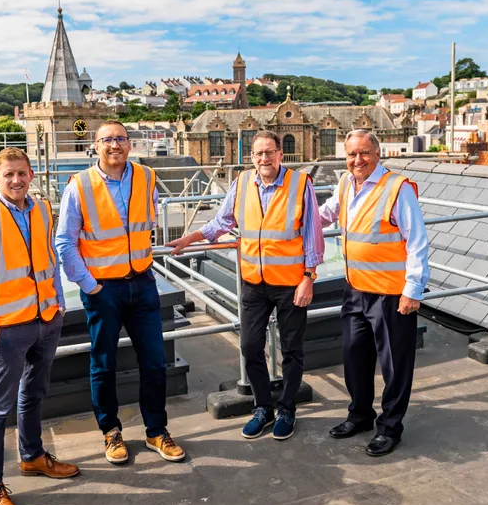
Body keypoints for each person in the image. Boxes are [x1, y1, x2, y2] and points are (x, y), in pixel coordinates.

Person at [167, 130, 323, 440]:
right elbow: (222, 222)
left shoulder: (300, 184)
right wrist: (191, 238)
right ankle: (263, 408)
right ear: (251, 157)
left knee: (292, 351)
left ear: (280, 154)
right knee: (250, 346)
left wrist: (309, 278)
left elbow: (312, 234)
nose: (264, 158)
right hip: (254, 281)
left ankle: (287, 410)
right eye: (258, 154)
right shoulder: (242, 184)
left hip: (291, 283)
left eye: (270, 152)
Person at [0, 147, 80, 505]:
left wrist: (58, 303)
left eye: (22, 173)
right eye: (8, 174)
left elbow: (50, 258)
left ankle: (32, 457)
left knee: (34, 394)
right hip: (7, 329)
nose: (16, 180)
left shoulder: (42, 209)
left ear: (31, 175)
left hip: (45, 320)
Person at [56, 121, 186, 464]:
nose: (115, 145)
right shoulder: (79, 186)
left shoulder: (146, 177)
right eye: (107, 140)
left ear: (130, 144)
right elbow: (64, 242)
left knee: (155, 362)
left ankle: (156, 431)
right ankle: (110, 432)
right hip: (104, 290)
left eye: (120, 139)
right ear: (95, 147)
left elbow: (147, 224)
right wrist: (89, 285)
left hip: (143, 282)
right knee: (104, 364)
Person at [318, 129, 430, 457]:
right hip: (355, 289)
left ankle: (390, 427)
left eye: (364, 153)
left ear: (378, 154)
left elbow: (417, 242)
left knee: (394, 365)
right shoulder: (345, 183)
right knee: (355, 357)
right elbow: (326, 214)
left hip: (391, 295)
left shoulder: (397, 188)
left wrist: (413, 291)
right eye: (351, 154)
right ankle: (360, 415)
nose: (357, 160)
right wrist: (297, 222)